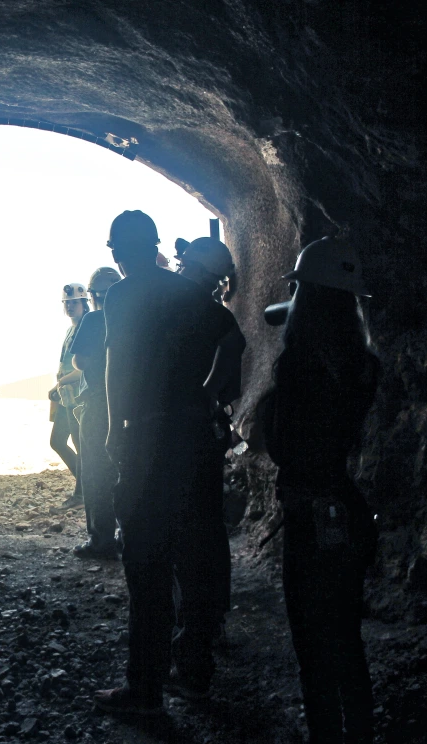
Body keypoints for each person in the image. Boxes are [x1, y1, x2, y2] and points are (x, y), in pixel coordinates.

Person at [94, 211, 243, 716]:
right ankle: (196, 672)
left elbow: (117, 366)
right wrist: (209, 392)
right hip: (195, 437)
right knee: (197, 553)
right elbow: (234, 339)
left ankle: (145, 690)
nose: (115, 256)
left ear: (120, 250)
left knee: (147, 563)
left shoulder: (122, 293)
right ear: (155, 244)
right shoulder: (192, 295)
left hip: (148, 436)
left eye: (116, 248)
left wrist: (115, 427)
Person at [260, 237, 379, 743]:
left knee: (312, 642)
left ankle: (327, 737)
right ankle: (361, 734)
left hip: (309, 515)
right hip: (346, 508)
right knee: (346, 637)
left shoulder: (297, 367)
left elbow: (284, 446)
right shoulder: (363, 365)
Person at [177, 237, 247, 635]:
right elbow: (231, 381)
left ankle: (196, 619)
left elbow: (233, 345)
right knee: (207, 520)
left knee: (190, 523)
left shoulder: (196, 311)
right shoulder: (215, 314)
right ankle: (211, 611)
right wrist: (210, 391)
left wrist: (201, 392)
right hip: (207, 428)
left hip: (186, 430)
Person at [67, 267, 123, 559]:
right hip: (131, 404)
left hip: (99, 405)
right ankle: (129, 533)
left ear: (92, 296)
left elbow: (80, 361)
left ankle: (101, 540)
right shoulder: (131, 318)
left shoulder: (92, 320)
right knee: (127, 471)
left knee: (96, 473)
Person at [50, 282, 88, 509]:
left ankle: (82, 494)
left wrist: (61, 382)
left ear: (84, 303)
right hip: (66, 395)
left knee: (79, 443)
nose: (70, 307)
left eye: (74, 302)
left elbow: (83, 367)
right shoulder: (70, 330)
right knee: (57, 441)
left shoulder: (87, 328)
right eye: (67, 303)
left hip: (79, 395)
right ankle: (87, 486)